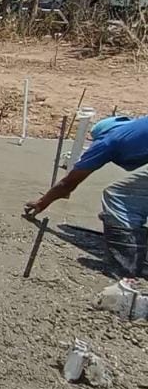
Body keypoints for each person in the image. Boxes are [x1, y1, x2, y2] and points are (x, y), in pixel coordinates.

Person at [26, 115, 148, 277]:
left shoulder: (107, 141)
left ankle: (126, 269)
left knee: (119, 197)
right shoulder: (136, 127)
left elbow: (68, 184)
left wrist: (42, 202)